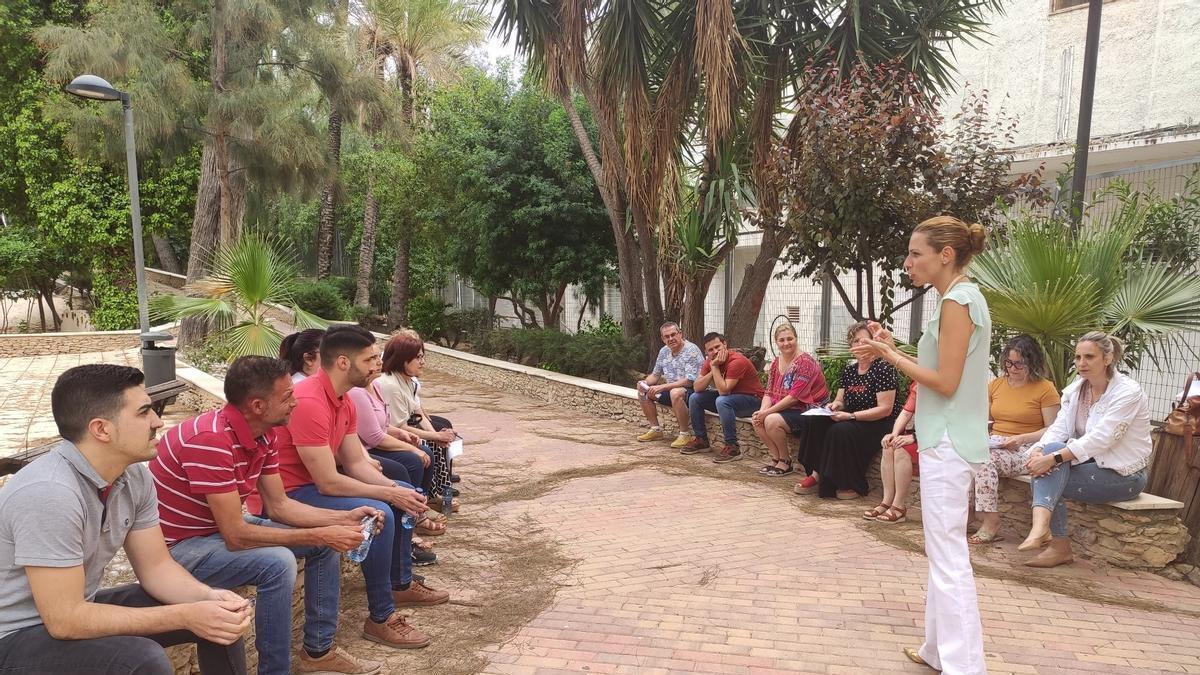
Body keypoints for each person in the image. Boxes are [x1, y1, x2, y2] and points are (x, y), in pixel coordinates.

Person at [0, 364, 250, 674]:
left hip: (73, 610)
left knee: (219, 619)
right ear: (101, 429)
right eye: (144, 412)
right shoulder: (49, 493)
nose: (157, 421)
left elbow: (157, 567)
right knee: (140, 658)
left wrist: (208, 598)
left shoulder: (133, 478)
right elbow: (64, 620)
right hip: (14, 637)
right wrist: (186, 615)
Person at [150, 356, 386, 675]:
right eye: (287, 396)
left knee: (323, 544)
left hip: (215, 530)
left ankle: (318, 652)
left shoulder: (266, 433)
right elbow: (235, 535)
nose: (296, 402)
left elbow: (280, 506)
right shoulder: (211, 440)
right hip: (181, 548)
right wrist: (320, 532)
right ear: (258, 405)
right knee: (277, 563)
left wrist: (343, 520)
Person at [853, 215, 990, 673]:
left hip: (948, 442)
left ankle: (964, 665)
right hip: (947, 438)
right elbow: (942, 370)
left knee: (949, 556)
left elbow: (945, 383)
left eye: (916, 253)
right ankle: (937, 650)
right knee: (941, 550)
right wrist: (897, 347)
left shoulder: (958, 301)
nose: (908, 262)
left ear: (944, 255)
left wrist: (889, 355)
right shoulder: (957, 299)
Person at [272, 324, 450, 649]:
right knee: (379, 511)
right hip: (292, 496)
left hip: (317, 488)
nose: (377, 366)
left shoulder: (344, 399)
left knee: (400, 492)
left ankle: (400, 583)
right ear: (343, 362)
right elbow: (326, 482)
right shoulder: (310, 400)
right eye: (369, 359)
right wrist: (388, 493)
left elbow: (355, 463)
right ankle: (381, 617)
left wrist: (397, 490)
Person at [1017, 332, 1151, 568]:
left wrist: (1053, 459)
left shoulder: (1128, 392)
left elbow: (1102, 439)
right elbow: (1058, 429)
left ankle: (1051, 538)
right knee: (1053, 451)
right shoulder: (1075, 390)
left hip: (1124, 475)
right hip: (1089, 466)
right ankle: (1043, 531)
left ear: (1107, 359)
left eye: (1089, 357)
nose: (1081, 363)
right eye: (1078, 357)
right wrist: (1039, 451)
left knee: (1052, 471)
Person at [349, 362, 444, 561]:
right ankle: (409, 533)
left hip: (365, 450)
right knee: (408, 465)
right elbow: (372, 436)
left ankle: (417, 513)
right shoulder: (357, 392)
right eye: (370, 358)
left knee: (423, 452)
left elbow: (383, 424)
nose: (379, 362)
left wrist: (400, 433)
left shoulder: (375, 386)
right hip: (368, 448)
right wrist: (410, 447)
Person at [970, 335, 1060, 544]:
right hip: (996, 443)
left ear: (1032, 361)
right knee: (965, 456)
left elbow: (1054, 429)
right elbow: (987, 420)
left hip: (1028, 448)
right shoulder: (996, 385)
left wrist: (1021, 439)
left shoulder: (1045, 388)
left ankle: (991, 521)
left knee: (984, 461)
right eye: (1009, 362)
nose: (1013, 368)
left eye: (1019, 363)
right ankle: (967, 514)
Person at [794, 321, 899, 499]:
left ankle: (849, 482)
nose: (860, 345)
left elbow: (885, 409)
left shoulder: (884, 369)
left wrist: (851, 416)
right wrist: (834, 406)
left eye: (864, 340)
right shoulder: (850, 371)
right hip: (851, 417)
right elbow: (840, 400)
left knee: (840, 430)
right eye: (856, 341)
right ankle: (816, 474)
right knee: (814, 421)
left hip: (877, 422)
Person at [376, 330, 460, 514]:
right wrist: (434, 435)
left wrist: (437, 435)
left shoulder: (407, 380)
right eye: (418, 358)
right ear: (402, 360)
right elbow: (398, 426)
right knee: (421, 453)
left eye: (423, 357)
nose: (423, 362)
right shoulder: (389, 384)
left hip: (398, 430)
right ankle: (417, 507)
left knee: (437, 440)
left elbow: (417, 412)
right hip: (386, 436)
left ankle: (432, 496)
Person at [751, 323, 829, 477]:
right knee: (757, 419)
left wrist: (767, 413)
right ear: (776, 342)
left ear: (796, 338)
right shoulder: (775, 363)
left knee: (771, 420)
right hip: (787, 410)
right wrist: (762, 412)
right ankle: (776, 458)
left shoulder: (805, 363)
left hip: (809, 411)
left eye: (789, 339)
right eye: (781, 340)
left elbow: (794, 397)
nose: (786, 343)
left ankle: (786, 462)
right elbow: (769, 392)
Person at [681, 332, 765, 463]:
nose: (714, 351)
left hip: (754, 400)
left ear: (725, 345)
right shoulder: (710, 361)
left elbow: (724, 391)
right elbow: (697, 387)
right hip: (732, 398)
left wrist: (714, 367)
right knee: (695, 398)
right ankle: (701, 440)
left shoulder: (737, 361)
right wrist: (713, 367)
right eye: (710, 349)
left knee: (722, 401)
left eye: (717, 347)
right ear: (706, 352)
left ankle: (732, 447)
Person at [635, 322, 705, 448]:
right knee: (643, 391)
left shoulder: (691, 350)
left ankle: (684, 434)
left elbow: (689, 381)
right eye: (667, 336)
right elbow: (655, 375)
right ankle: (655, 430)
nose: (671, 339)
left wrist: (662, 387)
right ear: (663, 339)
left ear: (680, 334)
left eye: (673, 334)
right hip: (672, 390)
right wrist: (645, 382)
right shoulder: (664, 351)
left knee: (675, 392)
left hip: (694, 393)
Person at [865, 380, 920, 524]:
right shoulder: (918, 384)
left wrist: (914, 437)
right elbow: (906, 413)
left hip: (935, 437)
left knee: (901, 450)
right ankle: (887, 501)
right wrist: (894, 434)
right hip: (920, 434)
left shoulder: (942, 385)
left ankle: (899, 505)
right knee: (889, 446)